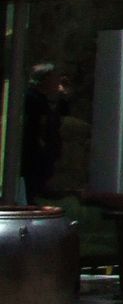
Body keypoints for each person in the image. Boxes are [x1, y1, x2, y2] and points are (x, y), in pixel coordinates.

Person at [22, 63, 70, 203]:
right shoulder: (32, 98)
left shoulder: (42, 99)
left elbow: (61, 116)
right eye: (53, 78)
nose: (56, 82)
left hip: (43, 154)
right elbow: (38, 126)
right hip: (34, 155)